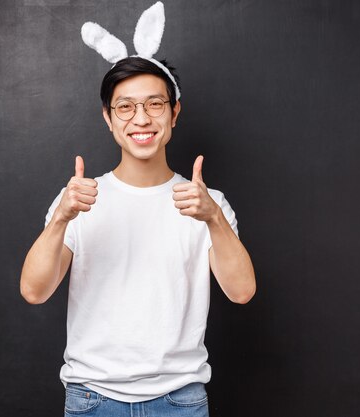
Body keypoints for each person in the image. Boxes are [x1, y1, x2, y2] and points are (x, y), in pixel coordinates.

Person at [19, 55, 256, 417]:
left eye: (155, 104)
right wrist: (62, 218)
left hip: (180, 399)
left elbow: (242, 292)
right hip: (92, 398)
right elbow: (34, 291)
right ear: (108, 117)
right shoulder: (80, 199)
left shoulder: (208, 203)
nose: (141, 119)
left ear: (174, 113)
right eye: (125, 107)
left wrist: (213, 219)